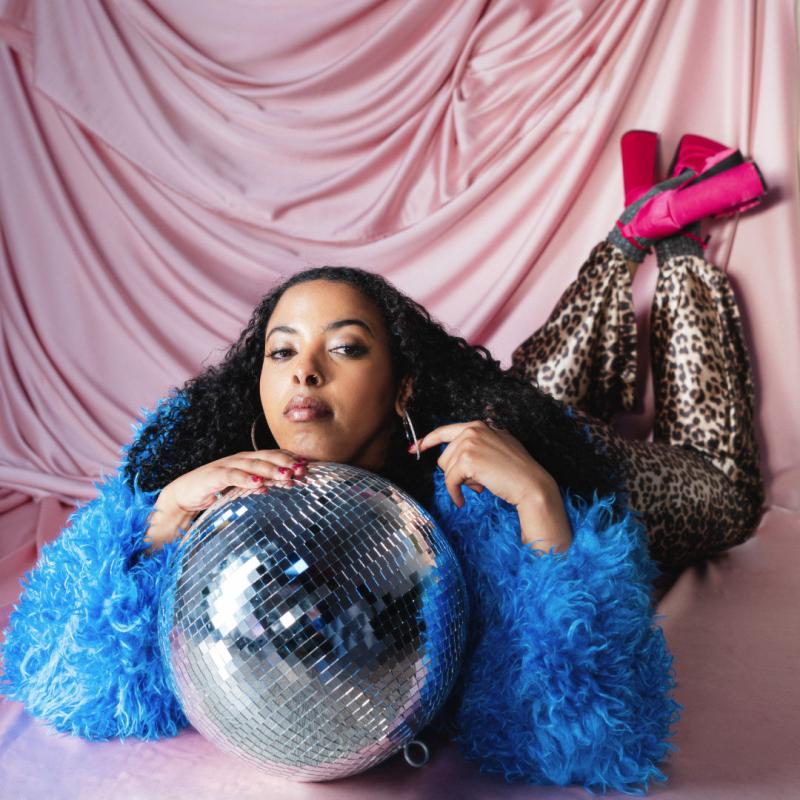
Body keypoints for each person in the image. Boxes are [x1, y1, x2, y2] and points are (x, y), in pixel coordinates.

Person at [0, 131, 766, 795]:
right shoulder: (203, 468)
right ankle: (627, 235)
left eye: (345, 347)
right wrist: (158, 520)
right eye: (282, 351)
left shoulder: (481, 508)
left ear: (402, 382)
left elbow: (595, 733)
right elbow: (64, 680)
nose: (305, 373)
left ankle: (668, 245)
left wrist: (541, 503)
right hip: (499, 411)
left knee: (723, 496)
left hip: (556, 458)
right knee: (535, 387)